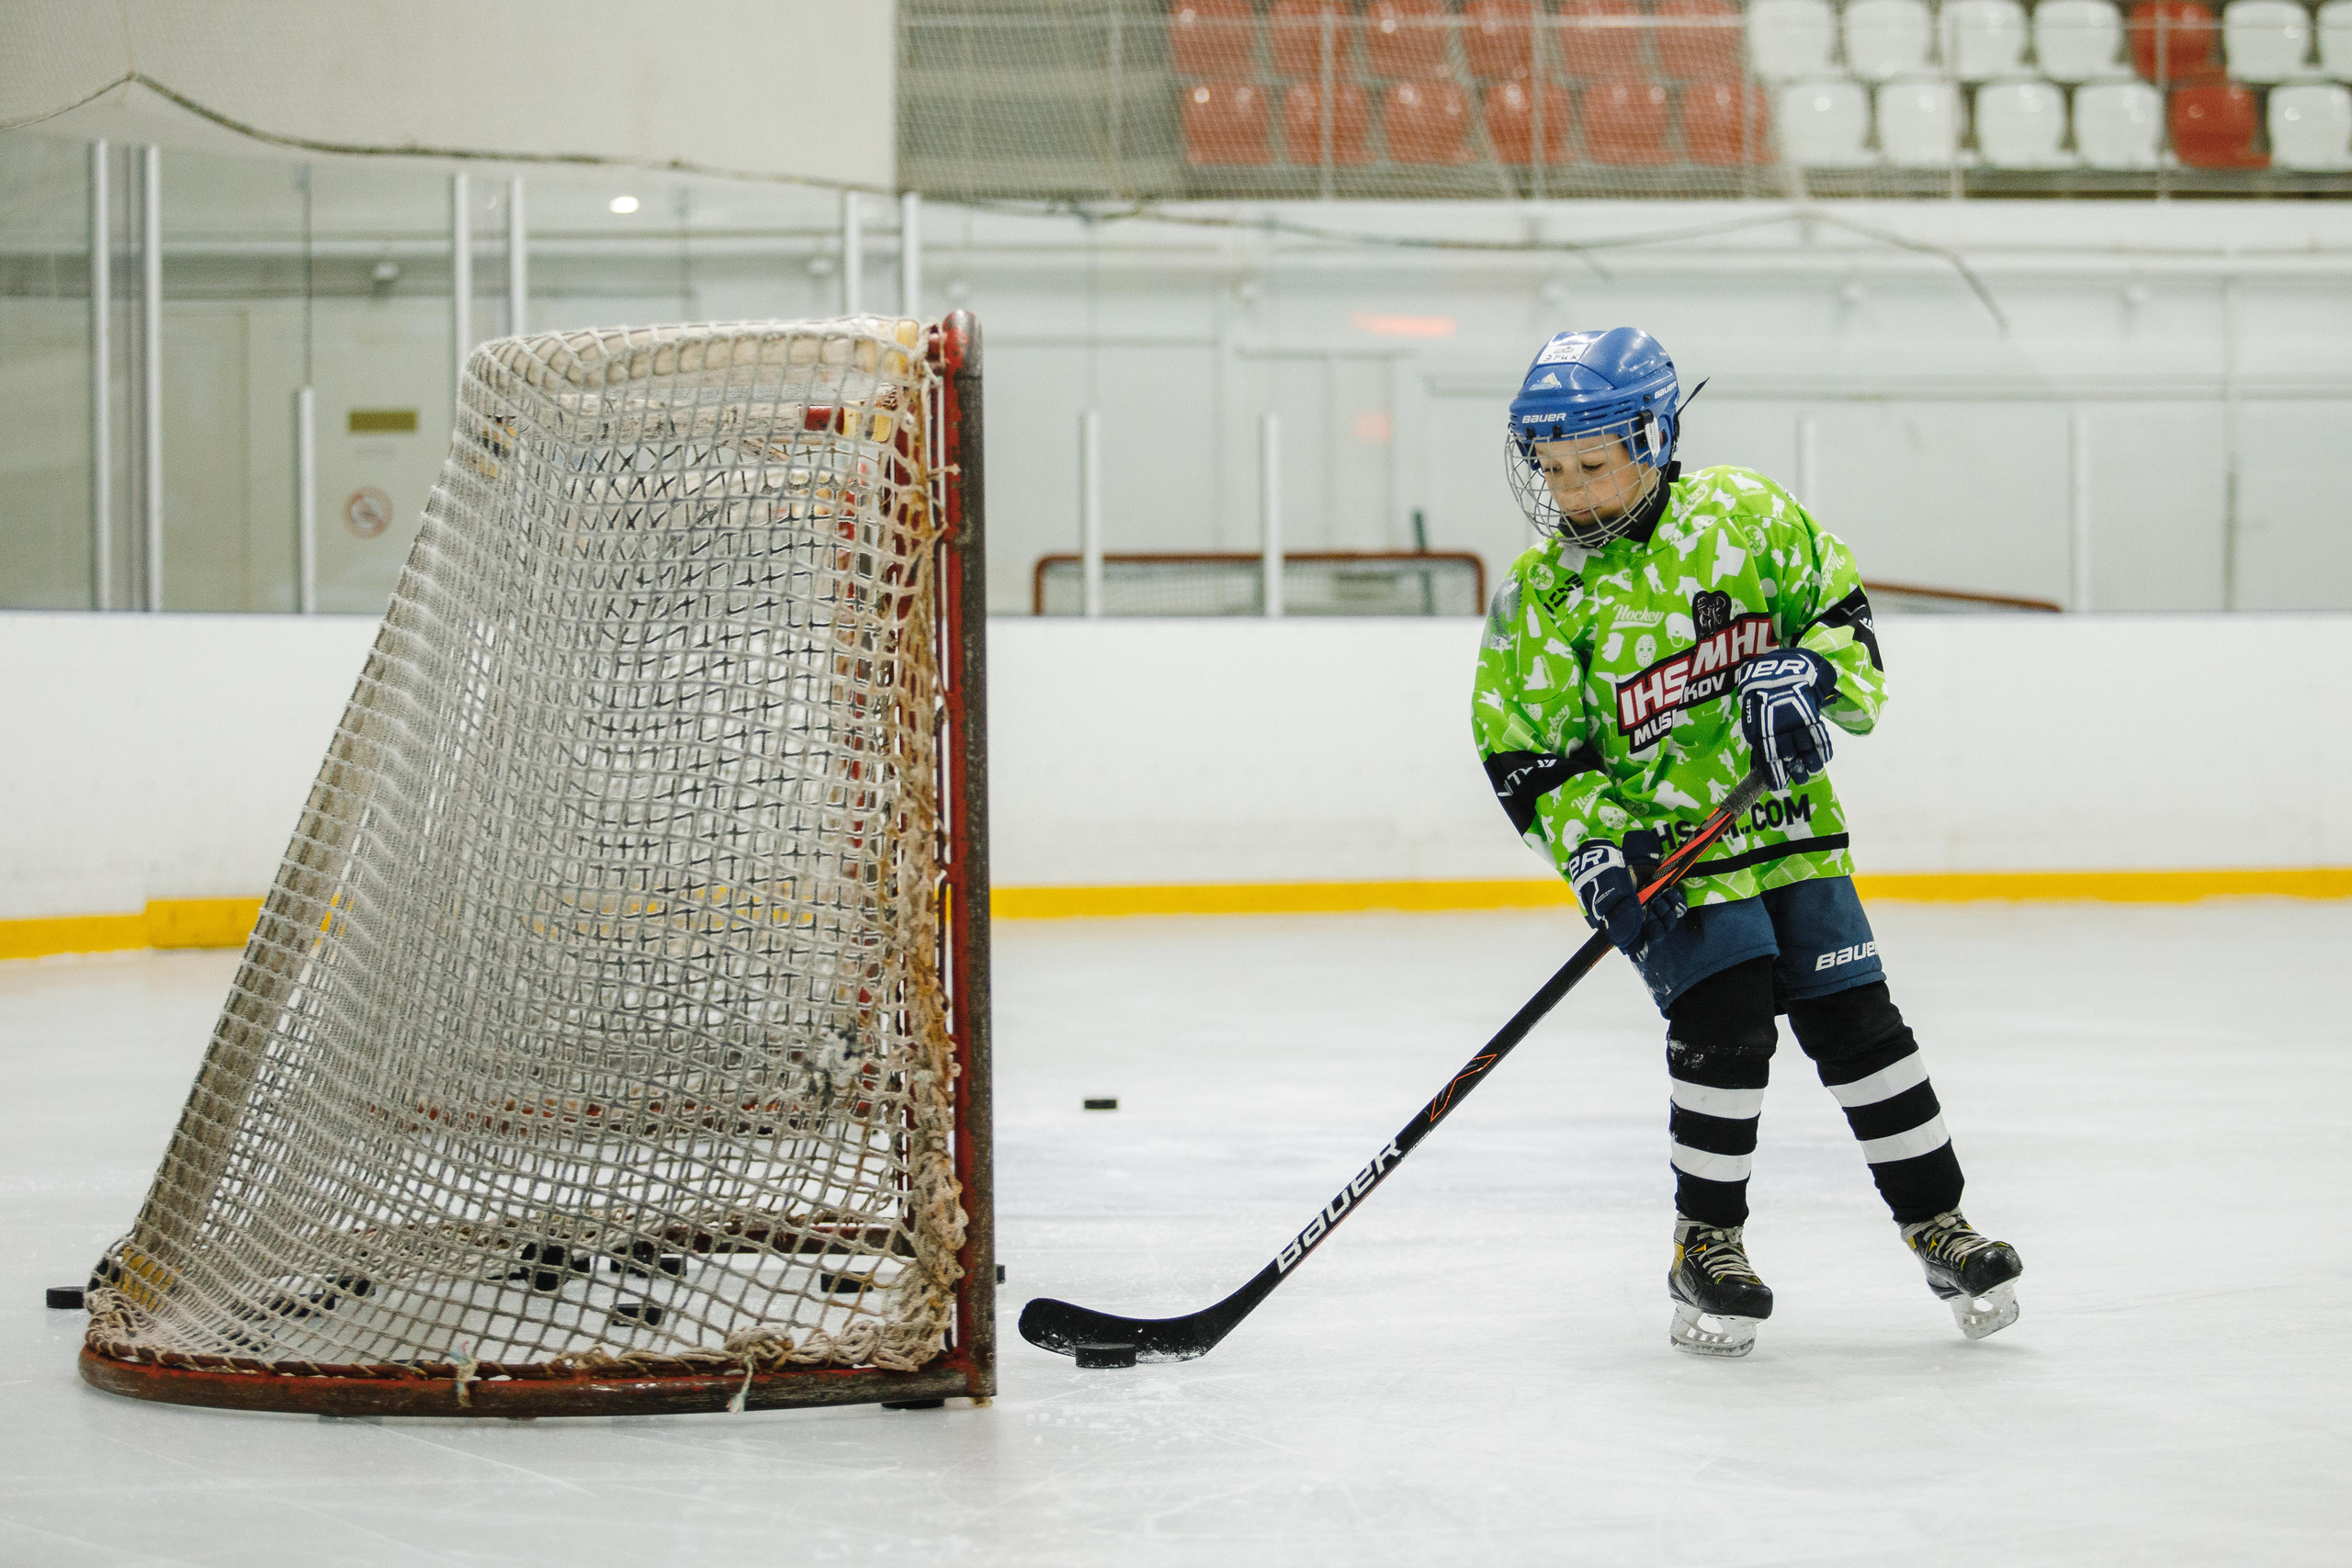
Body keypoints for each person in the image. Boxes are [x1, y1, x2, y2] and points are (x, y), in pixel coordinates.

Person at [1470, 327, 2023, 1359]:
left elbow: (1841, 618)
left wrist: (1811, 678)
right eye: (1551, 469)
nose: (1569, 492)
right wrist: (1595, 851)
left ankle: (1938, 1225)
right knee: (1725, 1024)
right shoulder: (1542, 593)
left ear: (1654, 437)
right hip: (1670, 860)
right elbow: (1526, 748)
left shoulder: (1748, 514)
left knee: (1860, 1024)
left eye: (1592, 464)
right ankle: (1707, 1242)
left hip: (1793, 834)